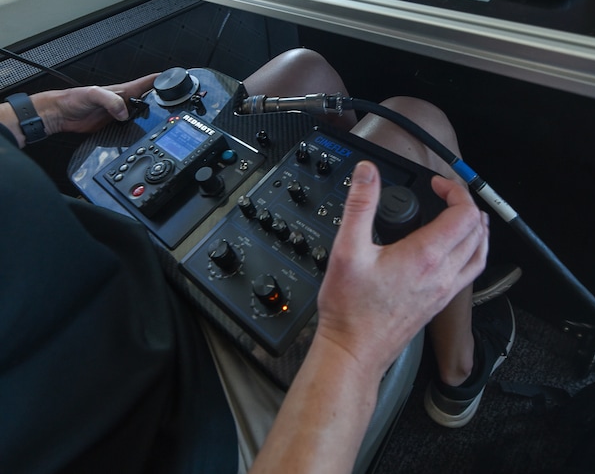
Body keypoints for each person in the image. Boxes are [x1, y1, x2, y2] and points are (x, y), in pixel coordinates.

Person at [0, 48, 516, 474]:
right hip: (179, 408)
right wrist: (351, 346)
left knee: (303, 69)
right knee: (415, 120)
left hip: (125, 280)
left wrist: (40, 112)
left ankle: (343, 191)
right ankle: (459, 373)